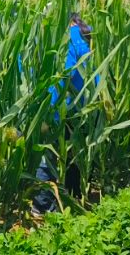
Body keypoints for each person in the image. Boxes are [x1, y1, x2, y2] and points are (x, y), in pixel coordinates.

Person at [32, 13, 94, 216]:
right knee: (73, 154)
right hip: (81, 109)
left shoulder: (64, 37)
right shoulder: (84, 37)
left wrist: (47, 111)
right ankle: (72, 198)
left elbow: (63, 75)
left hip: (59, 108)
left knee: (48, 156)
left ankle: (43, 205)